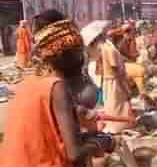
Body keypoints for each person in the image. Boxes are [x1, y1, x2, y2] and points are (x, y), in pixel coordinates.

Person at [0, 10, 115, 167]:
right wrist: (104, 142)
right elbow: (74, 154)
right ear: (76, 56)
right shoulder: (57, 87)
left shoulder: (27, 83)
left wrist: (76, 112)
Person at [101, 26, 134, 133]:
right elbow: (114, 68)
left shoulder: (110, 48)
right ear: (117, 39)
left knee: (116, 104)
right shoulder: (110, 49)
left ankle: (118, 125)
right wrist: (123, 85)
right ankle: (116, 127)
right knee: (115, 105)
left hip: (113, 80)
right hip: (113, 81)